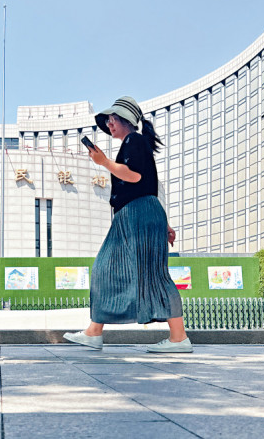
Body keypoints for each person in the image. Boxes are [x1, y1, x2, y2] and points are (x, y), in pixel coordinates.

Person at [63, 96, 191, 353]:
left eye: (112, 119)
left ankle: (178, 338)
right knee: (125, 271)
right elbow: (149, 186)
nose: (109, 124)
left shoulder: (134, 140)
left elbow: (134, 177)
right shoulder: (135, 143)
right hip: (141, 214)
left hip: (136, 215)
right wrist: (163, 224)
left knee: (115, 269)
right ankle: (95, 332)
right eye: (107, 121)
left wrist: (104, 163)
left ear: (125, 120)